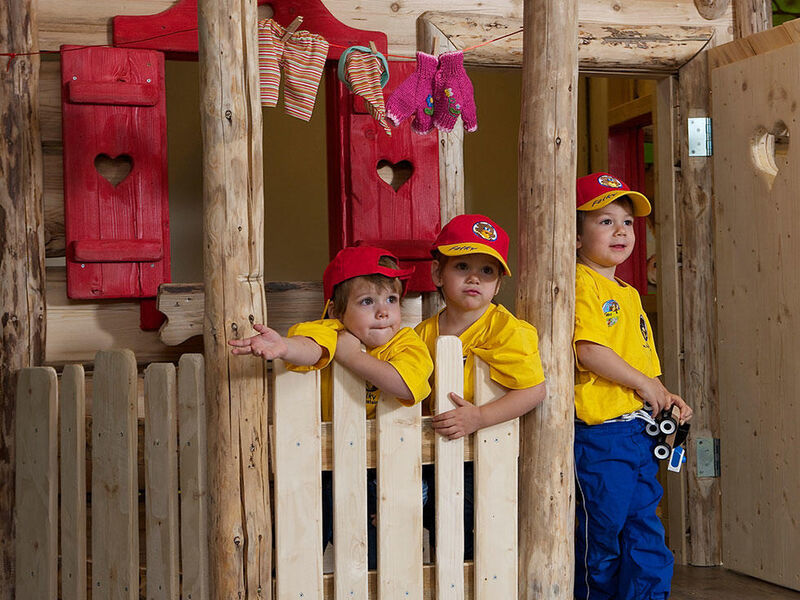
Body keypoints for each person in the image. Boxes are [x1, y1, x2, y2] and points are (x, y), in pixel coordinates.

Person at [229, 245, 433, 569]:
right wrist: (284, 347)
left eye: (391, 300)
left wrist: (352, 357)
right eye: (368, 301)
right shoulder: (330, 332)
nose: (383, 312)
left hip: (385, 469)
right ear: (337, 311)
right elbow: (310, 349)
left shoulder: (407, 343)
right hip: (325, 466)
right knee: (303, 546)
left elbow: (405, 384)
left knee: (377, 559)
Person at [573, 172, 693, 600]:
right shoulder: (579, 282)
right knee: (601, 537)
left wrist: (664, 395)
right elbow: (589, 351)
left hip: (640, 432)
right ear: (575, 235)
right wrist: (645, 384)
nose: (621, 230)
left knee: (646, 531)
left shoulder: (630, 293)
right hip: (602, 435)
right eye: (605, 221)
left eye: (627, 222)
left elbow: (643, 364)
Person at [415, 214, 547, 558]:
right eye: (461, 266)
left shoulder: (506, 330)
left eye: (487, 271)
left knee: (471, 535)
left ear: (498, 284)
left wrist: (479, 418)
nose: (475, 277)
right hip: (432, 452)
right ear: (437, 274)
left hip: (484, 453)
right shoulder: (422, 334)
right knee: (432, 528)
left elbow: (533, 391)